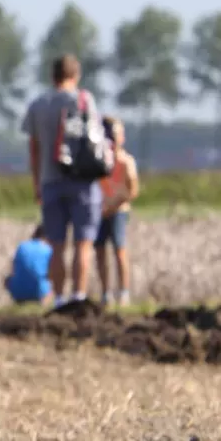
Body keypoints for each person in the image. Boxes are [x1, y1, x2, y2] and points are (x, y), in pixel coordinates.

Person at [21, 54, 105, 307]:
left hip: (49, 181)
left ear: (52, 76)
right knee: (83, 243)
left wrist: (37, 182)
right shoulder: (83, 100)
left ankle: (58, 299)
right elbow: (96, 139)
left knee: (57, 244)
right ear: (75, 75)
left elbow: (33, 149)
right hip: (82, 182)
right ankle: (78, 298)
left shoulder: (37, 104)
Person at [96, 115, 139, 306]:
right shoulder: (98, 161)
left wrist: (114, 205)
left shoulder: (126, 161)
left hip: (118, 211)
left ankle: (124, 293)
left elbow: (133, 190)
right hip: (100, 211)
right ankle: (105, 293)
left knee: (119, 250)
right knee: (99, 250)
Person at [5, 225, 54, 304]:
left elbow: (13, 268)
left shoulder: (22, 246)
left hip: (17, 290)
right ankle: (45, 303)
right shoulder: (48, 249)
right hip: (38, 291)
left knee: (9, 279)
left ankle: (19, 301)